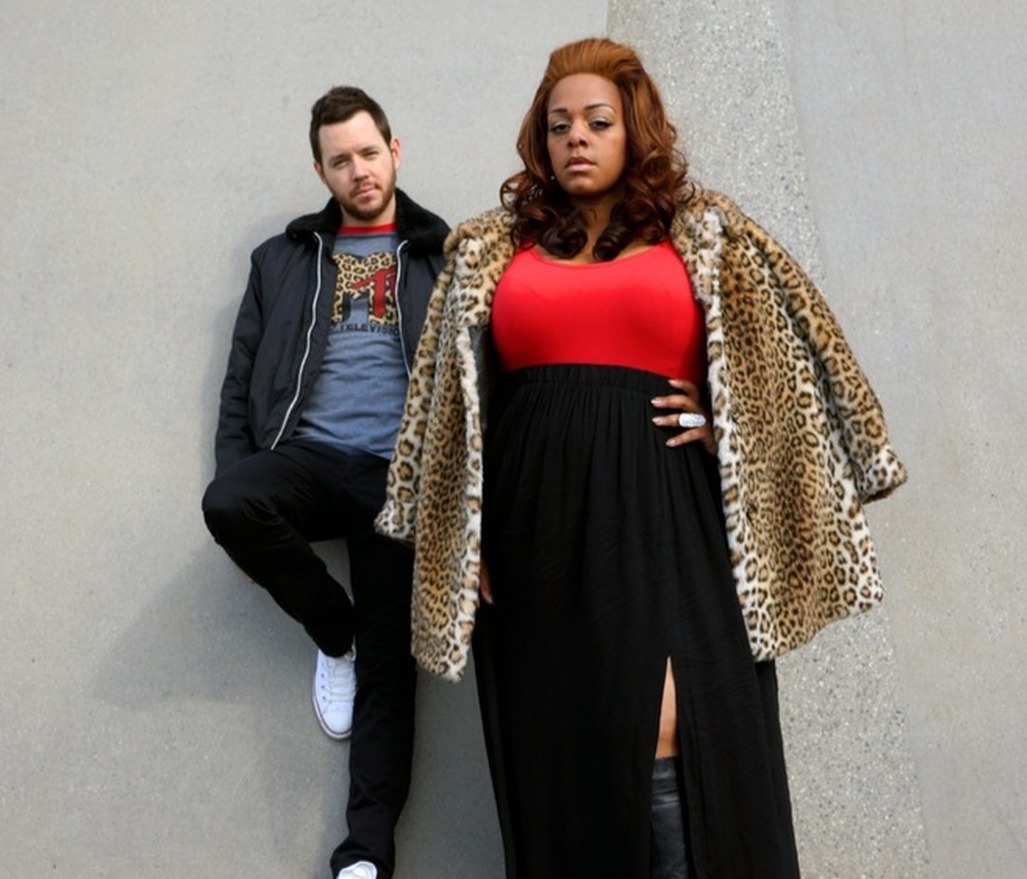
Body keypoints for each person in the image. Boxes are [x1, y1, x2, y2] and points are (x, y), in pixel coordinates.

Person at [377, 38, 907, 879]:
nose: (576, 139)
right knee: (567, 744)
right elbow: (444, 415)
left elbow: (787, 371)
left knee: (674, 719)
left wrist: (727, 425)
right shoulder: (490, 251)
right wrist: (461, 535)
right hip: (533, 530)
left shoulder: (704, 234)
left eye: (597, 122)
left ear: (634, 130)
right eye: (559, 126)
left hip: (666, 506)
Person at [201, 86, 449, 879]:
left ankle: (363, 856)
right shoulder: (282, 259)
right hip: (305, 458)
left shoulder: (444, 256)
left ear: (394, 151)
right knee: (229, 502)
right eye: (340, 160)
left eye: (369, 153)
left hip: (399, 478)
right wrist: (244, 496)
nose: (358, 170)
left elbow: (482, 383)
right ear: (321, 170)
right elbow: (239, 385)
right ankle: (334, 632)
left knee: (392, 669)